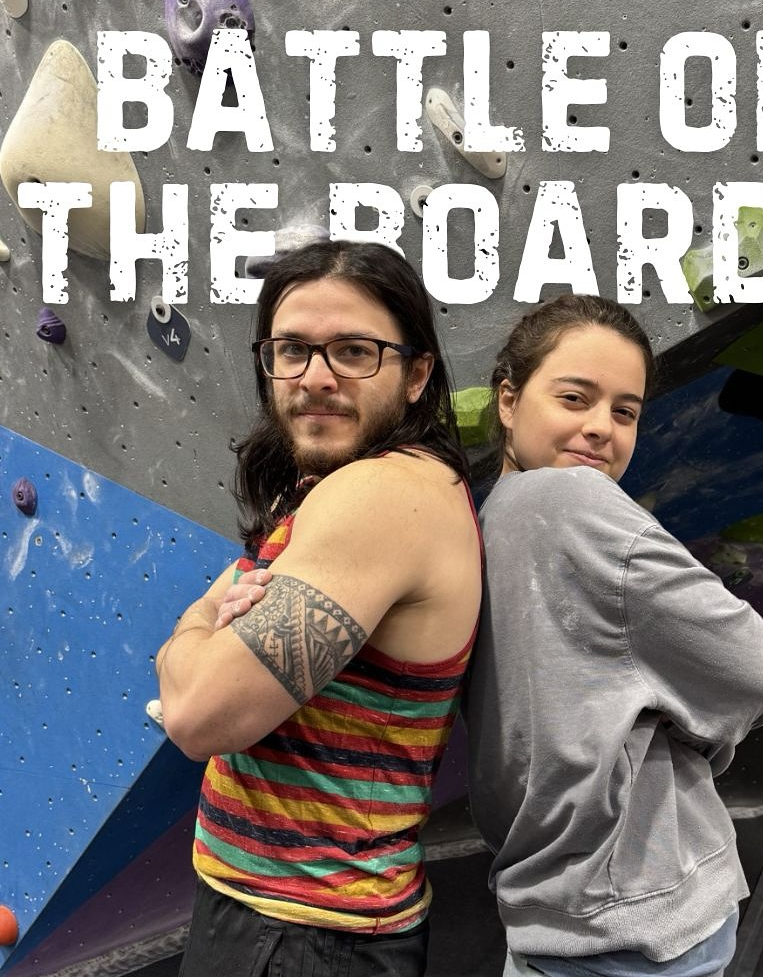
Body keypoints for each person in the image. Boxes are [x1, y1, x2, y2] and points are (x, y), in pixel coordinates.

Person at [156, 240, 483, 977]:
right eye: (293, 350)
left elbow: (197, 716)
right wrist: (203, 636)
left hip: (302, 935)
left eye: (354, 352)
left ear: (417, 375)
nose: (316, 377)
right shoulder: (334, 484)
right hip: (292, 922)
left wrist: (194, 631)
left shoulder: (381, 495)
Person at [464, 294, 763, 977]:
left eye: (624, 412)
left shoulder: (482, 520)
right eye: (574, 398)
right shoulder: (576, 498)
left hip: (570, 906)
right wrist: (693, 731)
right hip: (640, 907)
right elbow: (753, 670)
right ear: (509, 400)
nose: (600, 429)